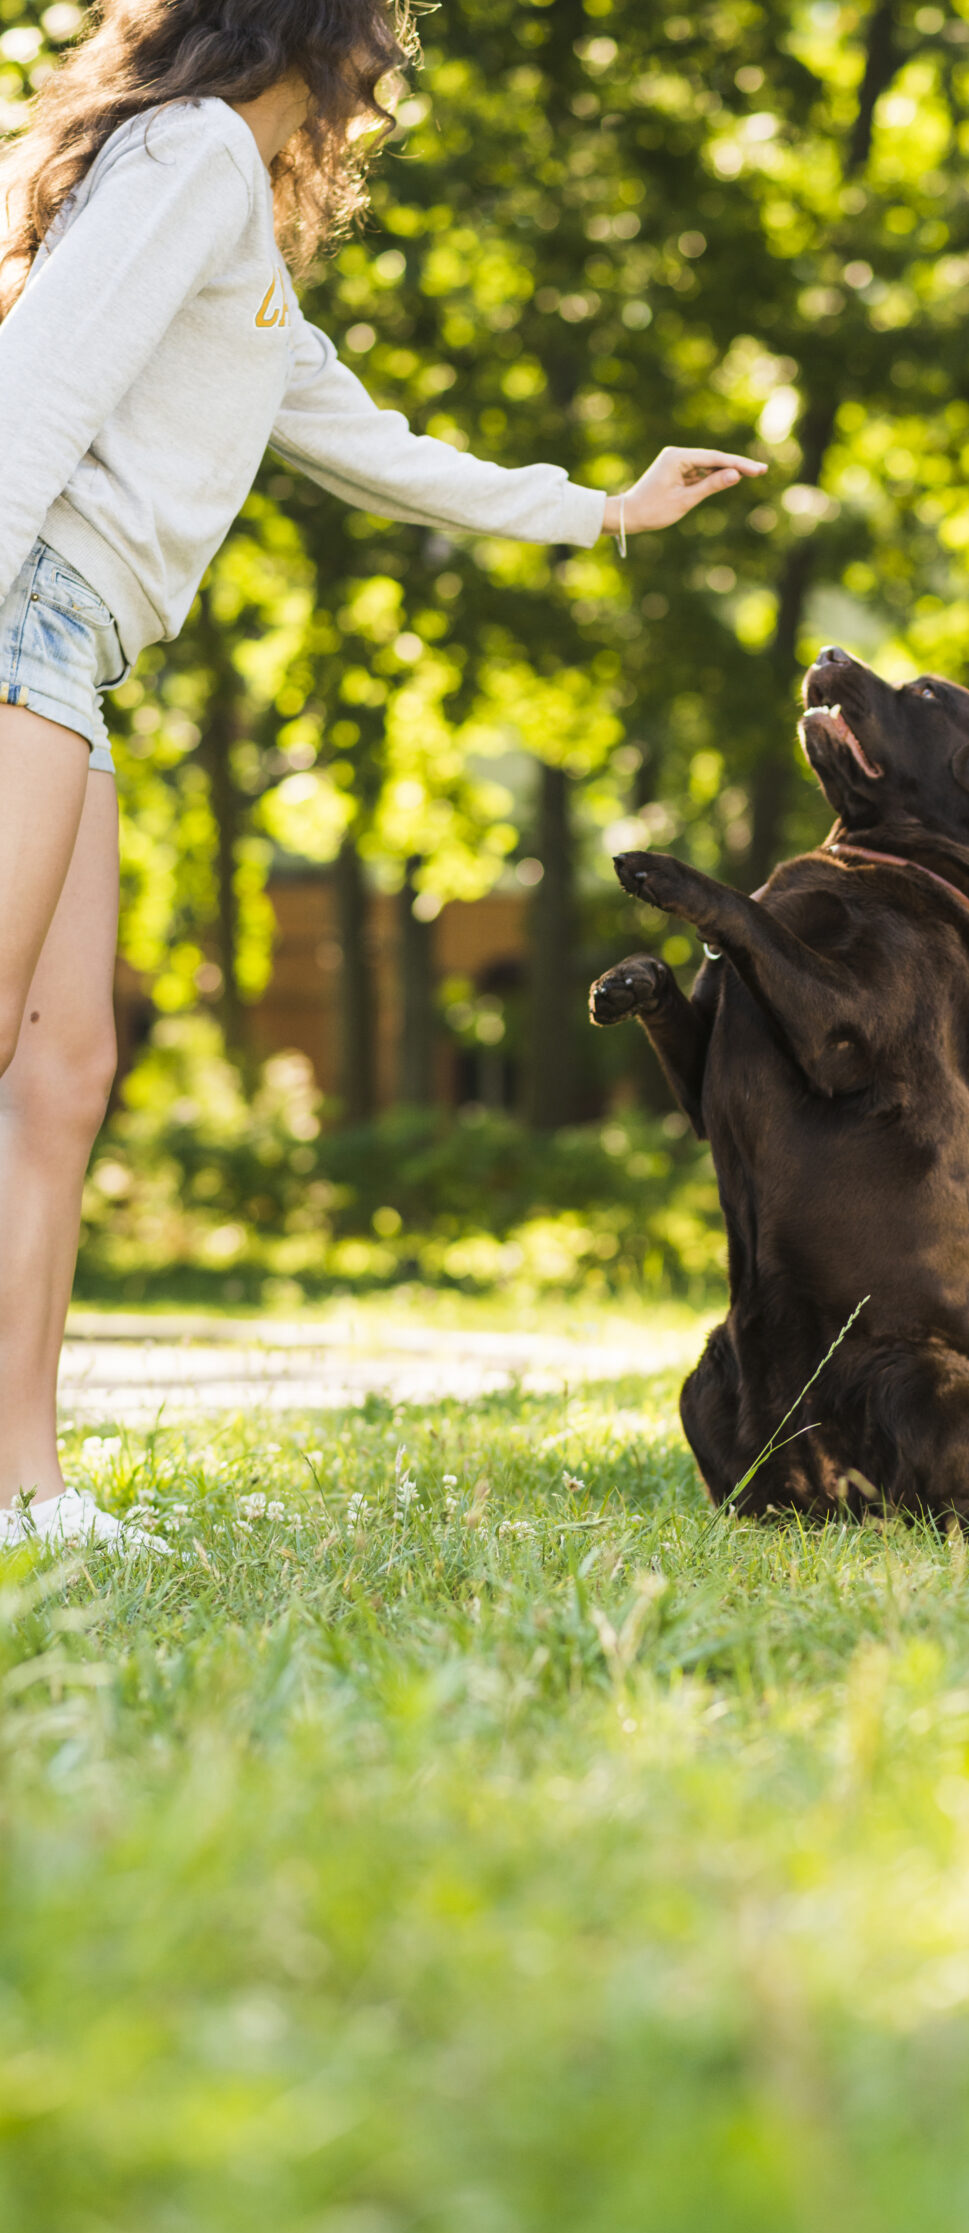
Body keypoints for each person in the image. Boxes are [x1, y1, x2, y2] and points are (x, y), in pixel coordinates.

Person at [0, 0, 761, 1552]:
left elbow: (373, 444)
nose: (390, 69)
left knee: (63, 1076)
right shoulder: (197, 153)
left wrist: (604, 511)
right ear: (321, 33)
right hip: (20, 614)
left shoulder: (237, 246)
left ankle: (24, 1489)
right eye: (385, 36)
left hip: (69, 656)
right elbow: (34, 394)